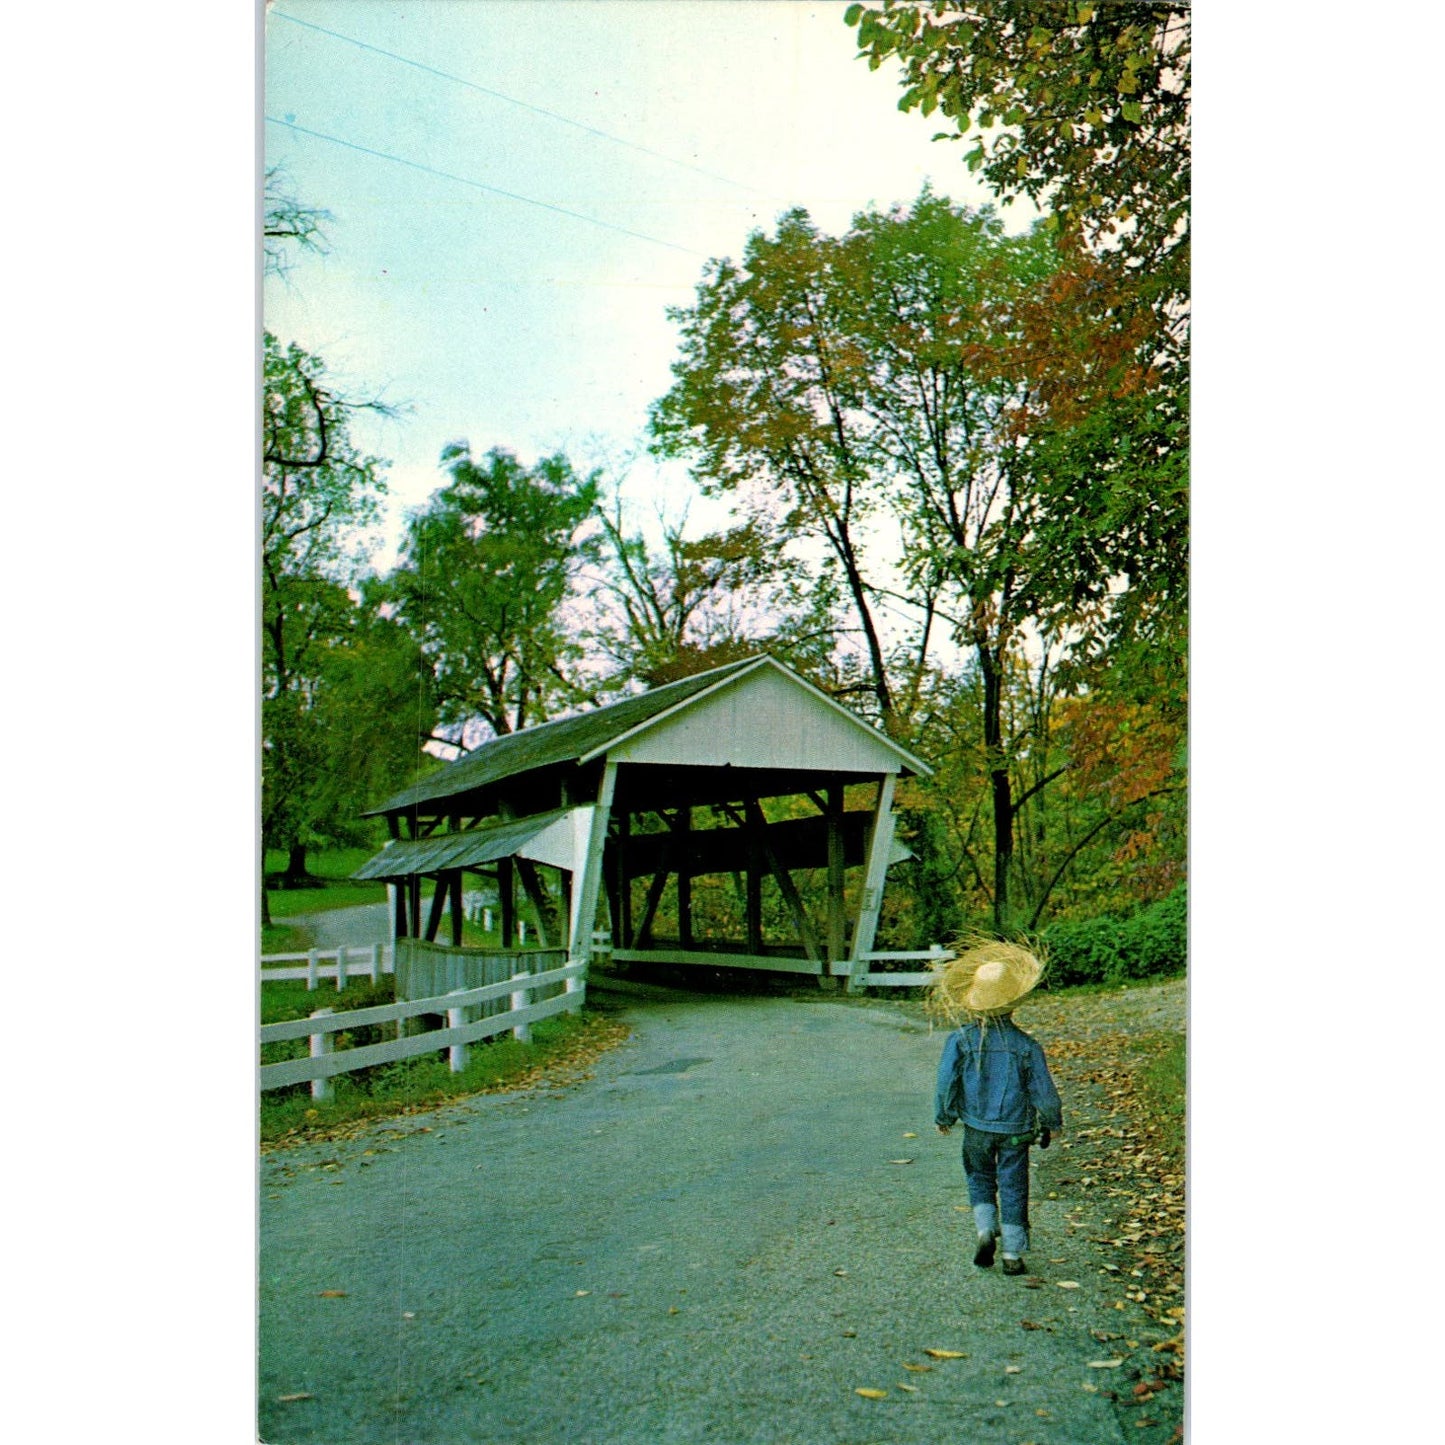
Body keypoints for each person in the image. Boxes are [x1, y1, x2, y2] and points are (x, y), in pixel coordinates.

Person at [932, 943, 1063, 1277]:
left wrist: (944, 1115)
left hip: (976, 1129)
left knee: (979, 1177)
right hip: (1015, 1131)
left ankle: (985, 1229)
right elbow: (1043, 1091)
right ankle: (1012, 1254)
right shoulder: (1027, 1046)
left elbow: (946, 1082)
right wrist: (1052, 1122)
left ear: (974, 1001)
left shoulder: (960, 1040)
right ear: (1013, 1003)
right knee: (1014, 1186)